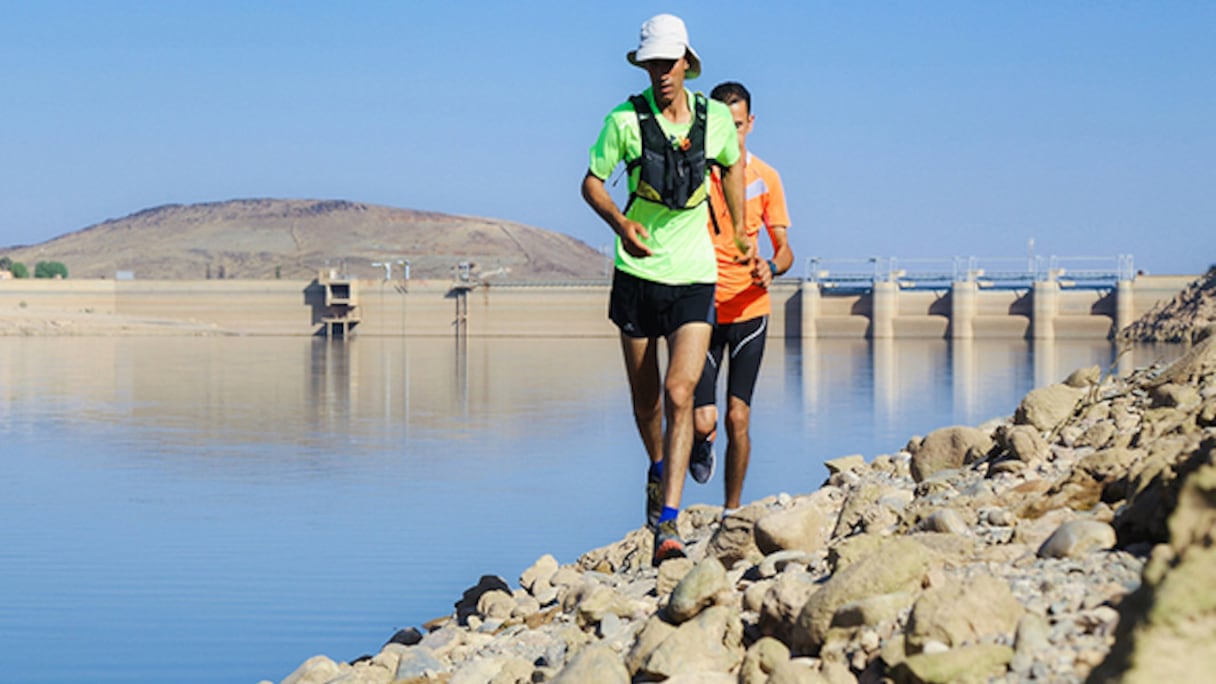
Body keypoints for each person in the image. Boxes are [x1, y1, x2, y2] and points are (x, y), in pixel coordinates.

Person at [581, 14, 750, 564]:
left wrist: (739, 231)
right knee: (646, 399)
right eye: (652, 63)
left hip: (695, 275)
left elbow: (730, 167)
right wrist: (619, 223)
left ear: (686, 62)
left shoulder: (714, 120)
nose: (661, 73)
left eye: (669, 62)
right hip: (637, 275)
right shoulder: (624, 121)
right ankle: (658, 467)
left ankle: (670, 524)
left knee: (681, 392)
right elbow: (591, 182)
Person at [689, 81, 793, 517]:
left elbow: (785, 249)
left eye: (737, 125)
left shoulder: (766, 177)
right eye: (722, 125)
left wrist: (773, 266)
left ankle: (731, 511)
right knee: (704, 420)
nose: (731, 134)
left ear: (750, 123)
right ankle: (701, 440)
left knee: (738, 416)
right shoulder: (696, 174)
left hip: (751, 308)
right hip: (702, 309)